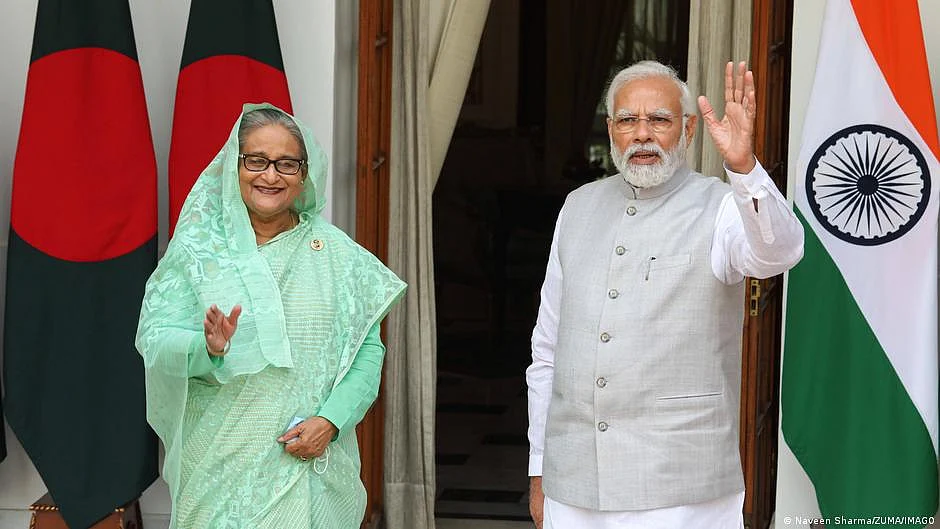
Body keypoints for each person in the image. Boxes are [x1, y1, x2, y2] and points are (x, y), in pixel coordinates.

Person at [526, 60, 804, 529]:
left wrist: (744, 169)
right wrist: (539, 468)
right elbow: (548, 348)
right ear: (611, 129)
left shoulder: (721, 205)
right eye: (628, 121)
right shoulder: (577, 207)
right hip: (573, 482)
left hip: (681, 486)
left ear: (689, 129)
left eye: (659, 119)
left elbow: (779, 252)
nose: (642, 135)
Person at [136, 103, 406, 528]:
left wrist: (331, 421)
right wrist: (206, 348)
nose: (270, 175)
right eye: (256, 160)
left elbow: (367, 353)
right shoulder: (198, 253)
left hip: (310, 465)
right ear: (234, 166)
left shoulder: (337, 255)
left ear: (304, 174)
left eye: (286, 164)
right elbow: (154, 340)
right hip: (221, 472)